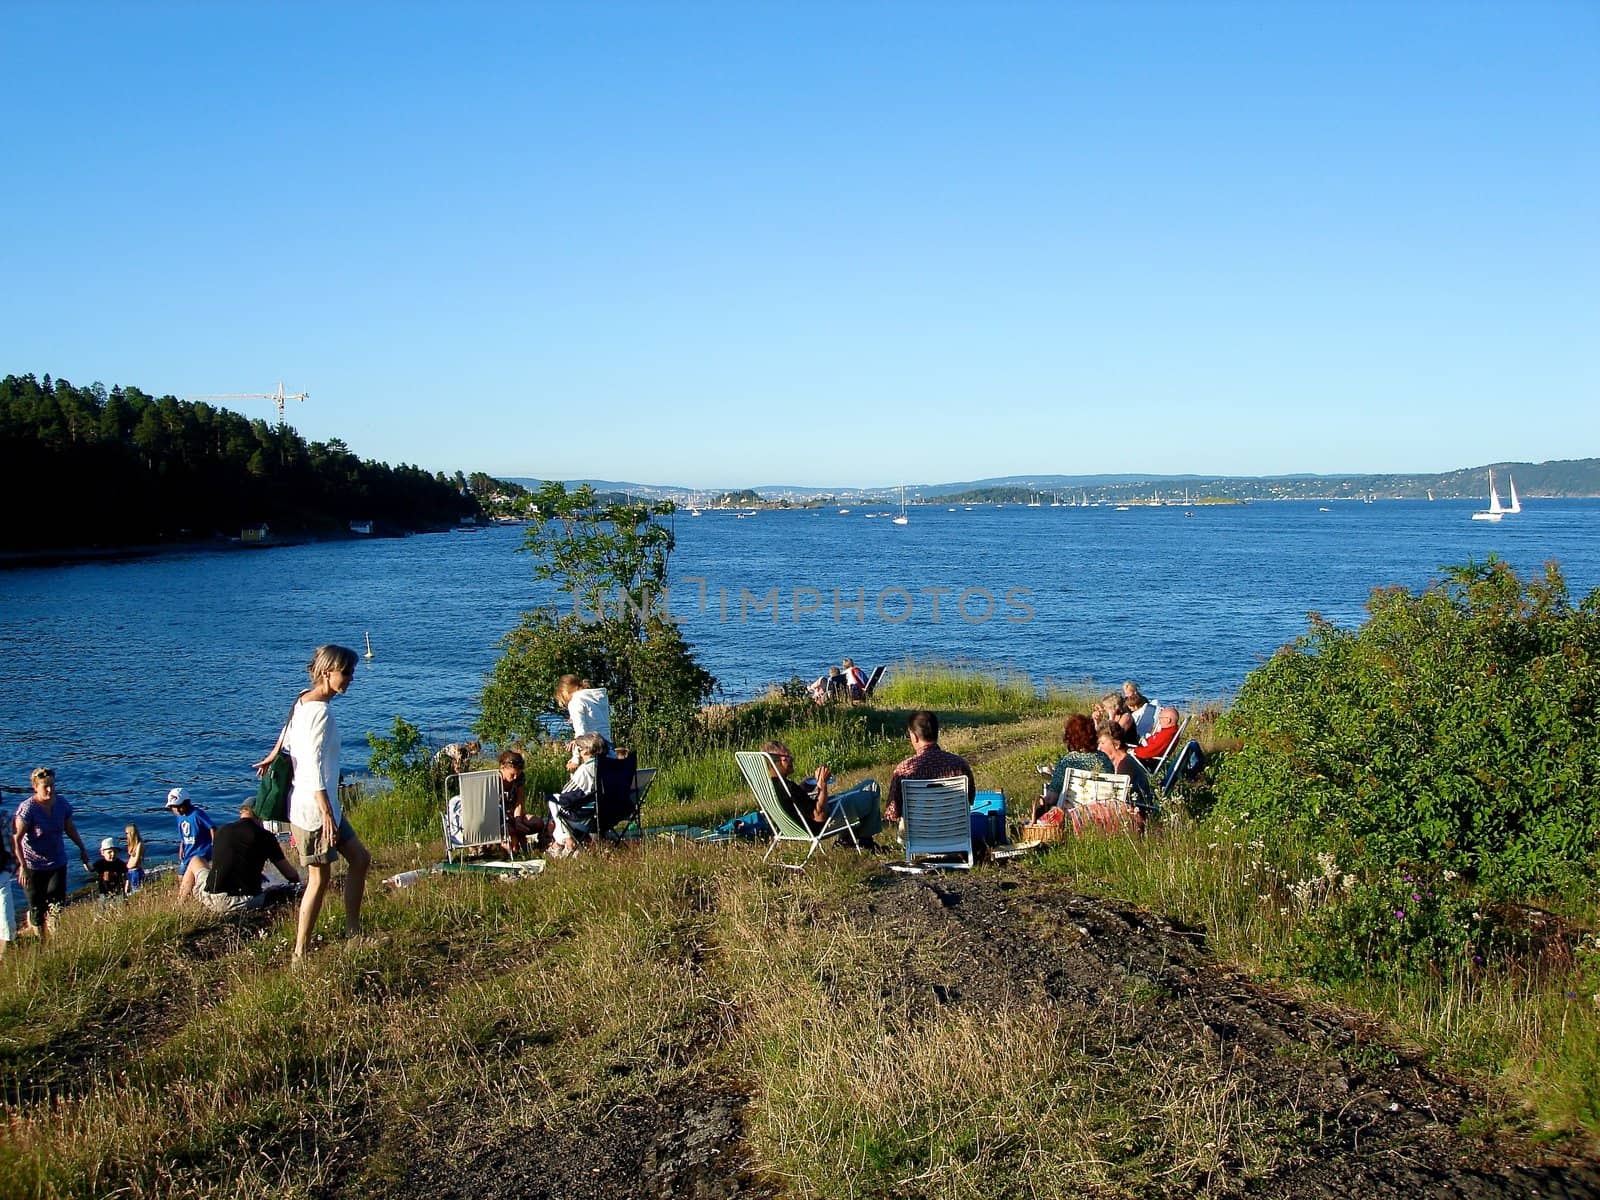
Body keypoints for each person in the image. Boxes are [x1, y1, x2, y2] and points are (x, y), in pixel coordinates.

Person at [255, 643, 371, 962]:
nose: (350, 678)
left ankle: (352, 931)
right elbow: (312, 765)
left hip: (325, 805)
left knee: (360, 859)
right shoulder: (319, 711)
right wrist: (327, 815)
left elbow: (288, 734)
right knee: (319, 880)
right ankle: (300, 952)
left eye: (351, 672)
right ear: (327, 672)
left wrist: (274, 753)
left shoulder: (304, 700)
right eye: (345, 672)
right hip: (315, 810)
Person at [11, 767, 92, 940]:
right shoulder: (28, 809)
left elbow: (70, 828)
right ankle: (41, 941)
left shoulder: (61, 804)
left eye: (52, 786)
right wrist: (22, 867)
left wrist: (82, 848)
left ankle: (55, 941)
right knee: (37, 908)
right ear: (35, 787)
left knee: (56, 905)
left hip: (57, 861)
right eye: (45, 786)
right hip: (33, 865)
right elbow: (16, 839)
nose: (50, 790)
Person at [761, 739, 883, 844]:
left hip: (796, 825)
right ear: (774, 762)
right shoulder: (788, 787)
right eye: (787, 758)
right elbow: (820, 816)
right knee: (872, 789)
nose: (792, 759)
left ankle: (849, 839)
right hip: (819, 827)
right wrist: (822, 784)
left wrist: (805, 786)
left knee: (868, 784)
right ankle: (864, 840)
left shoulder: (769, 786)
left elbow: (794, 801)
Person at [199, 805, 302, 915]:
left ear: (241, 813)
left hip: (210, 898)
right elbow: (290, 874)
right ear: (260, 816)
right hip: (246, 901)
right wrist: (298, 883)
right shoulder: (265, 836)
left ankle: (181, 902)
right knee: (278, 890)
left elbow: (224, 864)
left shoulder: (221, 830)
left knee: (196, 860)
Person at [884, 711, 976, 823]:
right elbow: (970, 799)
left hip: (918, 835)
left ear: (914, 736)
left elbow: (892, 812)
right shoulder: (959, 764)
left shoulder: (904, 769)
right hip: (955, 832)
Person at [1037, 713, 1116, 818]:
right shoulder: (1104, 759)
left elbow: (1051, 799)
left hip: (1073, 815)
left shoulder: (1069, 761)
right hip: (1101, 813)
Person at [547, 732, 607, 855]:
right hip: (608, 812)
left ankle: (566, 840)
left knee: (554, 800)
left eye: (579, 748)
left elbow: (565, 796)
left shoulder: (585, 770)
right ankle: (561, 843)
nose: (578, 751)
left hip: (586, 816)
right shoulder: (608, 766)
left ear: (585, 751)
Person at [166, 787, 215, 902]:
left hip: (201, 852)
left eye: (176, 806)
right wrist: (181, 847)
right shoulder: (179, 818)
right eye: (172, 807)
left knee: (194, 876)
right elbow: (183, 835)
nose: (175, 810)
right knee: (181, 875)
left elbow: (212, 828)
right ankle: (188, 896)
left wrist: (214, 845)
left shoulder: (197, 814)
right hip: (188, 852)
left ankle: (190, 898)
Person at [555, 675, 612, 768]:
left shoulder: (576, 702)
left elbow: (581, 734)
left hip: (592, 753)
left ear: (564, 692)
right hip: (608, 749)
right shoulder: (596, 699)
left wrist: (575, 760)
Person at [498, 749, 548, 856]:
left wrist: (518, 819)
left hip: (512, 813)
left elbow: (519, 802)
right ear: (503, 768)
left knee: (538, 822)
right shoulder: (494, 780)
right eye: (512, 775)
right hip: (498, 818)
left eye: (518, 774)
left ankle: (522, 841)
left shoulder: (519, 778)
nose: (515, 777)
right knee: (514, 834)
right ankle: (515, 846)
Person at [1097, 727, 1155, 817]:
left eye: (1102, 743)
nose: (1099, 748)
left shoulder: (1125, 766)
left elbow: (1119, 799)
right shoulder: (1121, 762)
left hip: (1136, 813)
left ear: (1116, 745)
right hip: (1129, 808)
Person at [124, 823, 145, 894]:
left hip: (136, 871)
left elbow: (136, 860)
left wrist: (128, 866)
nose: (126, 835)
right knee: (128, 891)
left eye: (127, 833)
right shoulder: (132, 845)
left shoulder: (139, 844)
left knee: (136, 890)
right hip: (130, 871)